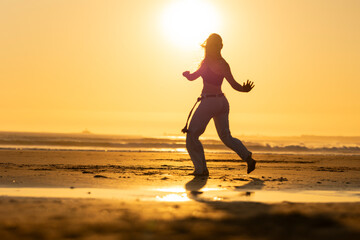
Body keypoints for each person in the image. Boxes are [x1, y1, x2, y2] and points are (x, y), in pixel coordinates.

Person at [182, 33, 256, 176]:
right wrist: (245, 89)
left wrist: (186, 74)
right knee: (226, 137)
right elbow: (235, 85)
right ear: (220, 46)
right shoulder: (224, 63)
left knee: (192, 135)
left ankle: (201, 170)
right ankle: (248, 157)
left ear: (208, 46)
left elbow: (192, 78)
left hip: (209, 102)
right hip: (222, 102)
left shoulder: (207, 62)